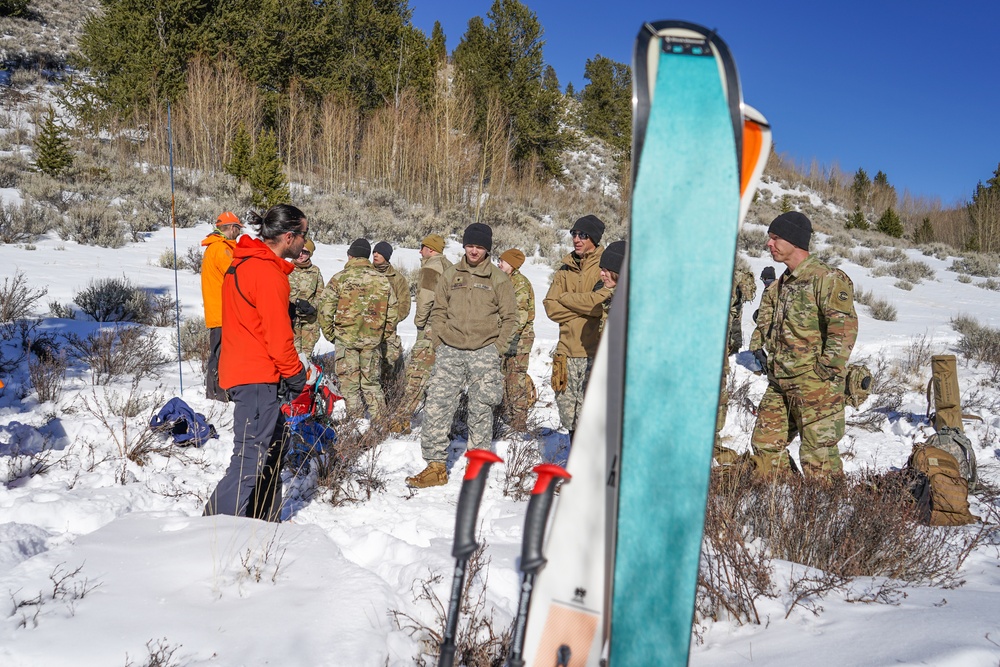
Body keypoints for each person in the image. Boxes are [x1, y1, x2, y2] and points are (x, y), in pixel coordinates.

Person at [204, 204, 310, 522]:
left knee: (270, 451)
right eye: (304, 235)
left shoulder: (247, 262)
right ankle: (213, 533)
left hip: (248, 372)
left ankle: (261, 525)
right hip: (257, 377)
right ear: (289, 237)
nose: (305, 242)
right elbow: (277, 337)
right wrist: (295, 374)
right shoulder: (265, 272)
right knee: (250, 457)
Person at [406, 223, 517, 488]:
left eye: (479, 247)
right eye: (470, 245)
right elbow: (438, 309)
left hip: (484, 352)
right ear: (464, 246)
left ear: (487, 249)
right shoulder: (451, 274)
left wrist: (496, 348)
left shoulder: (498, 279)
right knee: (437, 407)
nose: (474, 251)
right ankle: (435, 467)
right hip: (450, 351)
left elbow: (511, 317)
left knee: (481, 410)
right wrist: (438, 340)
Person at [750, 211, 859, 478]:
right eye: (769, 238)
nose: (769, 244)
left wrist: (823, 373)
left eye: (775, 238)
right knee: (765, 445)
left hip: (815, 386)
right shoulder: (781, 283)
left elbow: (843, 330)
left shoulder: (826, 278)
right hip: (780, 383)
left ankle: (828, 512)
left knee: (818, 459)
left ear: (794, 240)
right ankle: (791, 501)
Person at [543, 215, 611, 439]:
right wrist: (583, 305)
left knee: (590, 415)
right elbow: (551, 307)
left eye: (583, 235)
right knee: (568, 416)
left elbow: (599, 305)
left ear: (594, 238)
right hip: (565, 353)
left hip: (593, 352)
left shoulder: (605, 265)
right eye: (574, 233)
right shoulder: (565, 268)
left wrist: (566, 298)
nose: (576, 239)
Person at [318, 239, 398, 422]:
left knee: (349, 385)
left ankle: (355, 425)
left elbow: (325, 309)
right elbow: (392, 314)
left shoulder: (340, 278)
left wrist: (332, 335)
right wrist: (380, 335)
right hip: (372, 342)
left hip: (346, 341)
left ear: (350, 255)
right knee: (372, 385)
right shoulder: (382, 280)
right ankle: (381, 426)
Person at [391, 234, 452, 434]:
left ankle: (401, 420)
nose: (420, 251)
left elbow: (426, 299)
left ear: (431, 249)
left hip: (430, 327)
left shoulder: (430, 267)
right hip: (447, 328)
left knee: (416, 374)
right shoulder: (450, 266)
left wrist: (419, 323)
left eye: (423, 247)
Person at [200, 211, 242, 401]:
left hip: (221, 312)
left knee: (221, 354)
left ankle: (218, 393)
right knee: (220, 356)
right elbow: (236, 274)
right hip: (222, 313)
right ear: (232, 228)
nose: (239, 233)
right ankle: (217, 395)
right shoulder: (221, 249)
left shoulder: (218, 246)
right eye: (238, 229)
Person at [496, 248, 535, 432]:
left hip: (519, 341)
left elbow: (519, 317)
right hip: (506, 339)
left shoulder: (520, 284)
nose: (499, 263)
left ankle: (519, 422)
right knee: (506, 378)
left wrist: (504, 341)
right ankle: (508, 416)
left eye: (502, 261)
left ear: (512, 264)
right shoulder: (505, 281)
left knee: (516, 379)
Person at [372, 241, 412, 391]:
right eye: (374, 252)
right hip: (367, 330)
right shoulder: (366, 272)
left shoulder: (397, 279)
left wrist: (390, 321)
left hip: (388, 333)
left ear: (387, 256)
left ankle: (389, 401)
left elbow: (404, 305)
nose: (375, 255)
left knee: (388, 368)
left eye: (379, 252)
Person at [288, 239, 324, 356]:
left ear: (310, 254)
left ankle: (308, 373)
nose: (301, 255)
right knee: (293, 354)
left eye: (305, 252)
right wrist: (295, 302)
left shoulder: (315, 271)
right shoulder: (286, 268)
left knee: (306, 356)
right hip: (291, 320)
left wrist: (313, 306)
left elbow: (321, 293)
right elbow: (279, 291)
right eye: (299, 250)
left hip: (310, 321)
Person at [728, 265, 757, 355]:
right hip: (736, 307)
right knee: (735, 329)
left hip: (733, 307)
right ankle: (734, 349)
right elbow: (748, 296)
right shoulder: (742, 275)